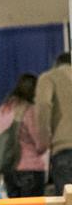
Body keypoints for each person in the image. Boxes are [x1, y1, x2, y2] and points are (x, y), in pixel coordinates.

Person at [0, 73, 47, 198]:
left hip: (9, 169)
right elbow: (40, 144)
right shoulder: (30, 110)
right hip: (30, 169)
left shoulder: (4, 109)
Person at [38, 53, 72, 194]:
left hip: (64, 147)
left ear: (56, 63)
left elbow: (44, 104)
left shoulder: (49, 78)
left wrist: (44, 142)